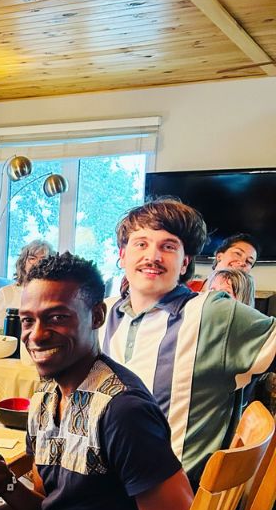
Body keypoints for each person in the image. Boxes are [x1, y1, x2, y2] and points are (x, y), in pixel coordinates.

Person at [0, 253, 192, 510]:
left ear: (97, 316)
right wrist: (6, 484)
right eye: (29, 320)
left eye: (57, 317)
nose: (36, 335)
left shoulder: (123, 411)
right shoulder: (44, 398)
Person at [101, 198, 276, 487]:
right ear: (122, 255)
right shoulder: (102, 315)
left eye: (168, 246)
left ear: (184, 262)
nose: (152, 256)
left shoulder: (213, 314)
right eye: (141, 244)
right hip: (103, 490)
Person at [0, 240, 54, 329]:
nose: (38, 263)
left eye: (43, 259)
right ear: (23, 263)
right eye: (32, 258)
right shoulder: (6, 292)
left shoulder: (55, 294)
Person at [187, 233, 259, 292]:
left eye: (249, 261)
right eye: (238, 254)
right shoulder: (187, 288)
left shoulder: (243, 302)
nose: (242, 262)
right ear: (219, 256)